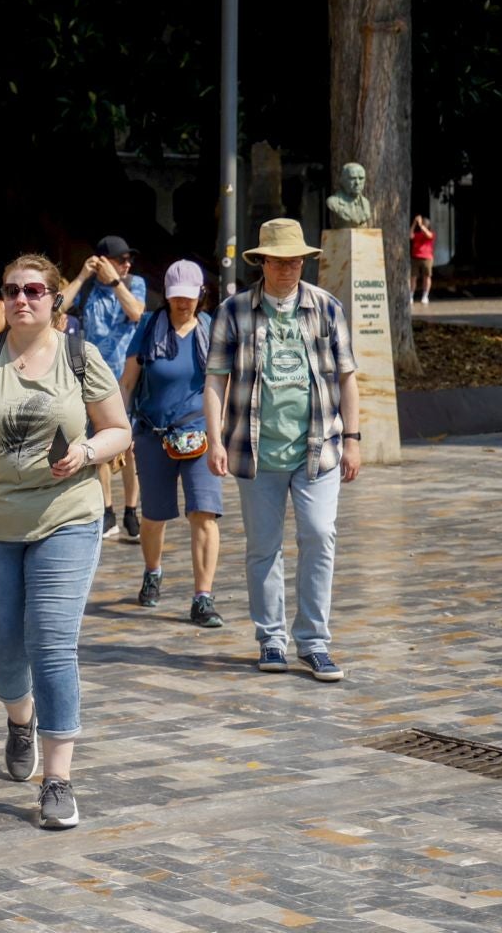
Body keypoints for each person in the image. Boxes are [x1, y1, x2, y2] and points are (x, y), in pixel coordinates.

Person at [0, 253, 130, 831]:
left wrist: (89, 451)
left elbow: (119, 429)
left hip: (66, 516)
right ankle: (20, 718)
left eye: (34, 291)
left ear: (53, 299)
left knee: (51, 641)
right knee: (1, 648)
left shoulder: (80, 356)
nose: (22, 299)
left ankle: (58, 779)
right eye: (12, 290)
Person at [205, 218, 362, 684]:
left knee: (320, 536)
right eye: (279, 261)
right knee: (263, 548)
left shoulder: (327, 307)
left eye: (296, 260)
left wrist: (353, 439)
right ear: (262, 263)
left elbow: (348, 377)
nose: (289, 268)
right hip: (256, 451)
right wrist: (214, 438)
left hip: (319, 449)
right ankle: (271, 639)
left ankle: (314, 643)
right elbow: (215, 380)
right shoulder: (233, 311)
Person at [120, 260, 225, 628]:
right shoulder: (150, 327)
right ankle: (153, 571)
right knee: (154, 516)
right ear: (166, 295)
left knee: (204, 513)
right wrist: (120, 429)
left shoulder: (211, 329)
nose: (183, 303)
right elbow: (127, 382)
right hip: (153, 434)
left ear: (201, 295)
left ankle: (203, 597)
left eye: (189, 296)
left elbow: (223, 384)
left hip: (200, 433)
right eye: (176, 296)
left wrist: (220, 436)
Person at [60, 236, 146, 543]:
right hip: (92, 377)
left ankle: (131, 510)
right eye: (120, 259)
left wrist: (115, 282)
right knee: (101, 442)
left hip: (127, 378)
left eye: (128, 259)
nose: (127, 264)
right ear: (102, 261)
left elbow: (137, 313)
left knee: (130, 447)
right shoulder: (86, 289)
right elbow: (57, 307)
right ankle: (107, 509)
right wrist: (82, 276)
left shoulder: (134, 284)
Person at [410, 216, 436, 305]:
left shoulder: (431, 233)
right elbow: (410, 235)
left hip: (427, 258)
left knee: (427, 277)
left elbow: (428, 234)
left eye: (425, 224)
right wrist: (414, 223)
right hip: (415, 257)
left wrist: (421, 224)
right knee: (413, 277)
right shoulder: (417, 234)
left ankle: (425, 296)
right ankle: (411, 295)